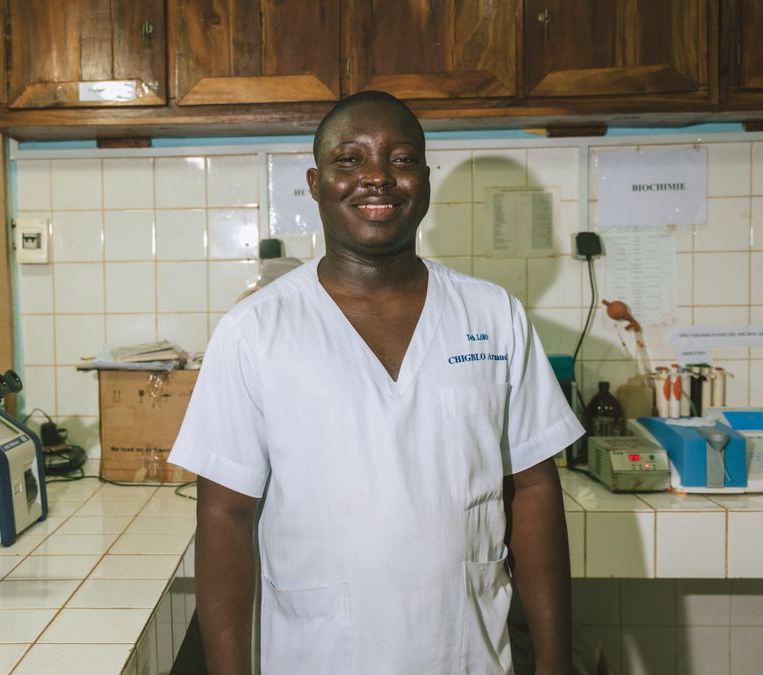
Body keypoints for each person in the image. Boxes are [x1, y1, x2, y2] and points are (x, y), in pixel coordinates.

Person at [168, 91, 582, 674]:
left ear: (426, 181)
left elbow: (535, 491)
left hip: (465, 652)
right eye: (350, 159)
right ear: (315, 183)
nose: (377, 177)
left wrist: (555, 663)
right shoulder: (255, 330)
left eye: (402, 159)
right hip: (321, 655)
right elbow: (224, 517)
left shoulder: (494, 317)